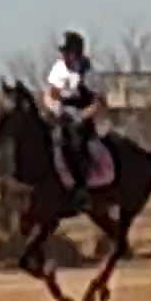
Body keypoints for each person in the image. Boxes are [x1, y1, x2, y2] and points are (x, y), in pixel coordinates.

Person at [44, 30, 105, 208]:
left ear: (76, 53)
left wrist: (80, 116)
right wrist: (54, 106)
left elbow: (99, 103)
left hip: (81, 119)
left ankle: (81, 188)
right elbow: (49, 94)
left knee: (75, 143)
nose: (63, 56)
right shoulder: (59, 69)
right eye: (62, 52)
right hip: (60, 114)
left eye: (67, 52)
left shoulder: (89, 73)